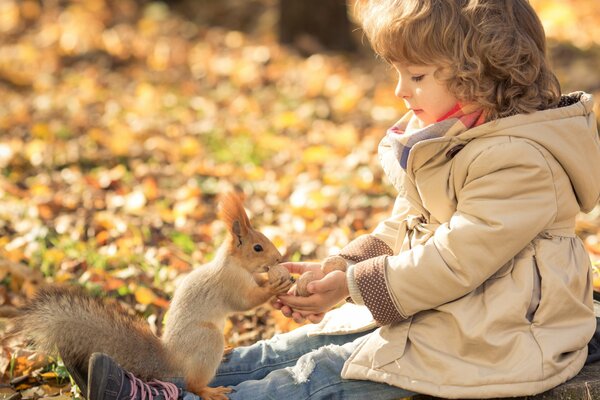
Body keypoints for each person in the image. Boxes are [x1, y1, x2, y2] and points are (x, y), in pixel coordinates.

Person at [85, 0, 600, 399]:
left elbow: (455, 261)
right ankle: (162, 373)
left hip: (497, 338)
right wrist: (342, 265)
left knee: (324, 377)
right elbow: (406, 228)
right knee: (303, 346)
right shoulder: (452, 138)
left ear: (478, 75)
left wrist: (351, 286)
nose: (400, 90)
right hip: (450, 315)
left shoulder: (518, 160)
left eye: (415, 76)